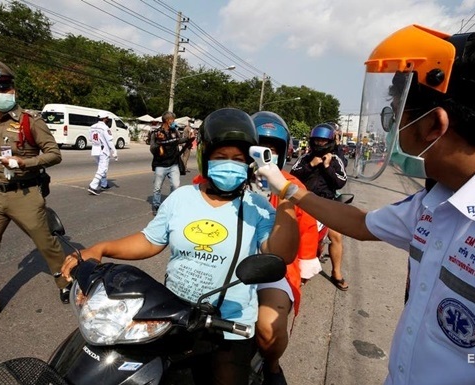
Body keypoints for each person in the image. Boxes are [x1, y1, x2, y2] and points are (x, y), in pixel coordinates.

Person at [255, 25, 475, 384]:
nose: (391, 128)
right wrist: (289, 190)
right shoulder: (438, 199)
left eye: (395, 116)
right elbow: (359, 223)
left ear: (434, 124)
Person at [61, 107, 299, 385]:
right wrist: (101, 248)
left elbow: (281, 253)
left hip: (230, 326)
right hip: (174, 317)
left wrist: (286, 197)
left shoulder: (257, 207)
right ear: (205, 158)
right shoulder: (181, 197)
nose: (230, 164)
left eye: (238, 159)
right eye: (221, 157)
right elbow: (149, 241)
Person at [0, 59, 72, 331]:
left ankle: (66, 281)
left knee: (46, 243)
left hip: (24, 194)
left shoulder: (31, 121)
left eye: (3, 88)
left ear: (13, 90)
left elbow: (54, 154)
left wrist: (23, 162)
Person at [251, 111, 320, 385]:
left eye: (272, 149)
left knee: (270, 329)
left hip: (273, 267)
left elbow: (307, 228)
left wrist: (305, 262)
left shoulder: (292, 187)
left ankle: (272, 365)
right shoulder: (229, 177)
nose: (265, 154)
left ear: (282, 152)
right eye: (259, 146)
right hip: (224, 258)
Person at [290, 123, 348, 290]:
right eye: (317, 140)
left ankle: (336, 272)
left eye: (323, 141)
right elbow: (292, 176)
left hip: (326, 204)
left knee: (336, 237)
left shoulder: (336, 158)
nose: (319, 144)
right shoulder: (306, 158)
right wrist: (312, 165)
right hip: (303, 202)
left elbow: (340, 182)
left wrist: (327, 167)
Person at [149, 111, 193, 215]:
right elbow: (152, 149)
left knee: (176, 186)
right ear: (168, 120)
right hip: (161, 164)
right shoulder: (156, 133)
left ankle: (171, 204)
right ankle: (156, 205)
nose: (174, 122)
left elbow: (178, 140)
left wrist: (188, 139)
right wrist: (159, 142)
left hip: (173, 164)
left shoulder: (175, 131)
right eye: (172, 120)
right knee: (157, 187)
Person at [87, 111, 118, 195]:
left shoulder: (92, 127)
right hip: (103, 150)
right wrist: (114, 151)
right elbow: (109, 141)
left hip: (95, 149)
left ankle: (104, 184)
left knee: (101, 167)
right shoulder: (105, 128)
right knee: (102, 168)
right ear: (105, 118)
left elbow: (90, 138)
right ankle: (93, 186)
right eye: (107, 118)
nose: (108, 119)